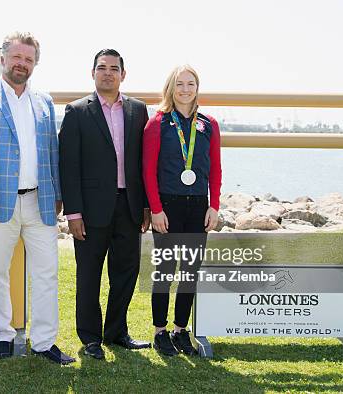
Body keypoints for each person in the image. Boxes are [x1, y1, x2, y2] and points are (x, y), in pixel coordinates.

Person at [0, 32, 74, 365]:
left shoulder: (44, 102)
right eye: (17, 58)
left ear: (35, 64)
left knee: (47, 273)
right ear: (3, 59)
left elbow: (52, 151)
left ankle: (44, 342)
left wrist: (59, 195)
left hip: (40, 202)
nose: (22, 64)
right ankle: (2, 334)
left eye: (29, 60)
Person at [59, 49, 151, 360]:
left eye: (114, 68)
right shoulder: (76, 111)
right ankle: (90, 338)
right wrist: (73, 212)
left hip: (129, 205)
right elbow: (68, 166)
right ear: (93, 73)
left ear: (123, 74)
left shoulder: (138, 110)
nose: (108, 73)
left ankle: (116, 332)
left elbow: (143, 162)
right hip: (89, 210)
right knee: (88, 275)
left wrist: (147, 207)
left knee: (125, 273)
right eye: (102, 68)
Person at [142, 65, 222, 356]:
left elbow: (215, 168)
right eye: (180, 84)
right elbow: (148, 172)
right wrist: (156, 210)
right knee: (164, 271)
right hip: (167, 206)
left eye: (191, 83)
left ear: (197, 88)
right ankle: (160, 331)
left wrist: (214, 205)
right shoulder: (158, 123)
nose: (185, 89)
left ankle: (180, 330)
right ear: (171, 88)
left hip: (198, 206)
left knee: (190, 272)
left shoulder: (208, 123)